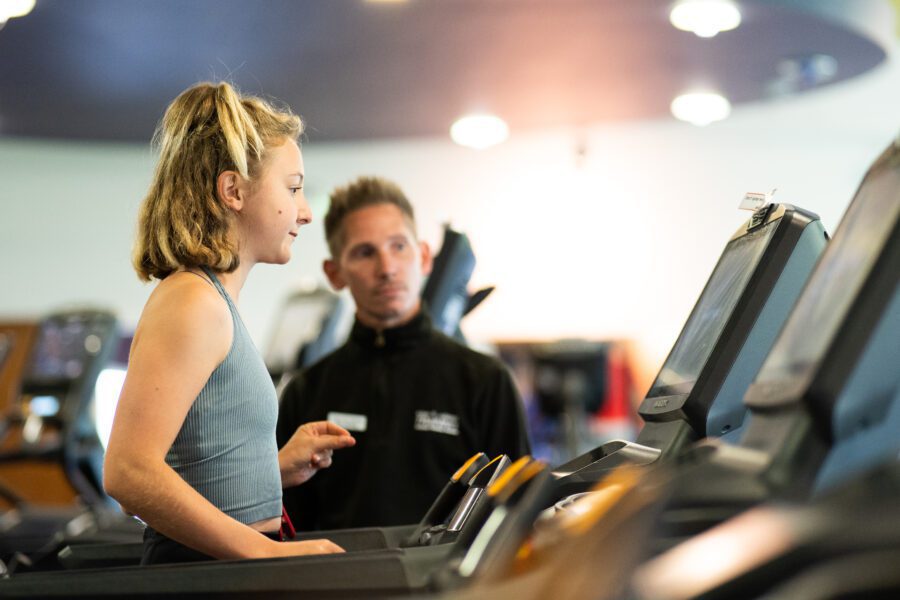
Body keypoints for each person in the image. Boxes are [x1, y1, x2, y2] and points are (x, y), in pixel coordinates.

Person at [103, 81, 356, 565]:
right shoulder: (192, 302)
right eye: (294, 188)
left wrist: (271, 467)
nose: (304, 212)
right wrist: (265, 553)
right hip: (202, 575)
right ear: (233, 190)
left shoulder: (211, 299)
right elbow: (128, 472)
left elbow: (197, 468)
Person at [277, 176, 531, 531]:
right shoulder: (306, 391)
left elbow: (517, 513)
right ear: (335, 274)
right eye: (365, 252)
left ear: (424, 256)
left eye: (399, 247)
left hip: (449, 584)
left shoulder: (485, 381)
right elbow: (285, 523)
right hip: (335, 582)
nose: (387, 268)